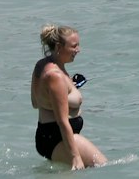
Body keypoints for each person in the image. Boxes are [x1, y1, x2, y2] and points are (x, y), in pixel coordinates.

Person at [32, 25, 107, 168]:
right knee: (102, 166)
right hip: (57, 137)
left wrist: (61, 94)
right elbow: (62, 121)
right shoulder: (55, 76)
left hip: (48, 136)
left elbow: (36, 102)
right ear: (59, 47)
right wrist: (75, 157)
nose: (78, 50)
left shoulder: (42, 65)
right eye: (74, 46)